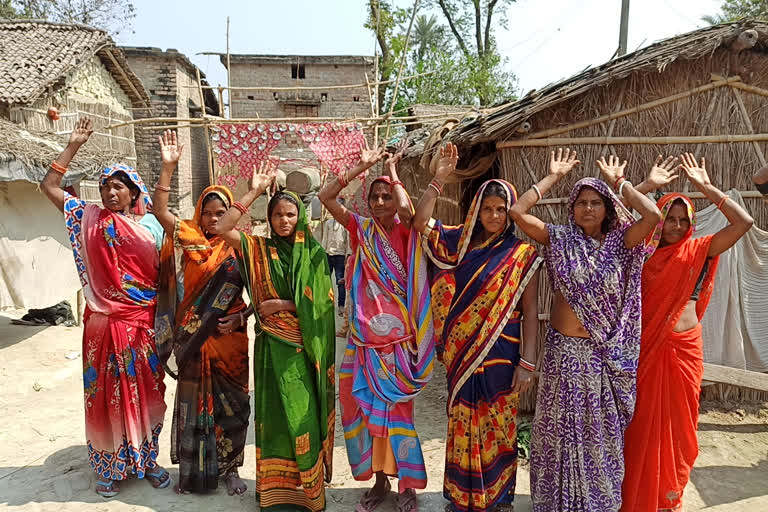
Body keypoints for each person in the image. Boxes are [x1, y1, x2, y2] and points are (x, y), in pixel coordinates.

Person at [509, 150, 661, 512]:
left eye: (596, 203)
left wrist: (618, 183)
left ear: (607, 208)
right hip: (562, 355)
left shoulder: (621, 244)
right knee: (559, 433)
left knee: (599, 436)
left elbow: (653, 215)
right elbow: (517, 213)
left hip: (599, 359)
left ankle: (596, 502)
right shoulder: (560, 239)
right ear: (572, 208)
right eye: (581, 203)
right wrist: (552, 177)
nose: (588, 209)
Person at [40, 117, 170, 497]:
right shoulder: (88, 219)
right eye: (106, 187)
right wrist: (72, 146)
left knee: (145, 392)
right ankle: (108, 466)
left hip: (141, 325)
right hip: (102, 326)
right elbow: (48, 186)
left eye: (119, 187)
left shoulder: (151, 229)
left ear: (133, 193)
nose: (111, 193)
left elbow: (168, 277)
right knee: (104, 395)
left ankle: (147, 459)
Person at [412, 143, 542, 512]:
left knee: (499, 423)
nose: (495, 215)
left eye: (502, 210)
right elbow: (420, 223)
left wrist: (528, 362)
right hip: (461, 355)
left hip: (504, 355)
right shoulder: (456, 243)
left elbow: (530, 312)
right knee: (463, 420)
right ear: (476, 209)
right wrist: (438, 180)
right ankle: (461, 495)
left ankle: (499, 496)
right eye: (488, 208)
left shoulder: (522, 255)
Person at [621, 153, 753, 512]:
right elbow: (614, 222)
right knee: (642, 426)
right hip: (647, 349)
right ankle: (638, 496)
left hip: (684, 352)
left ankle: (669, 496)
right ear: (658, 220)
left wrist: (707, 187)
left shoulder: (700, 250)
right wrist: (645, 186)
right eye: (669, 219)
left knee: (680, 429)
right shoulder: (642, 253)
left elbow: (744, 223)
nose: (676, 227)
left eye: (683, 221)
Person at [210, 162, 336, 511]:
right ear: (269, 216)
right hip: (269, 348)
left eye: (291, 214)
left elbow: (322, 308)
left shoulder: (313, 254)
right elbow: (221, 227)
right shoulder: (257, 249)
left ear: (301, 216)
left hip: (300, 350)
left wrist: (282, 303)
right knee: (274, 419)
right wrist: (252, 190)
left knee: (301, 417)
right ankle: (275, 492)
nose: (283, 220)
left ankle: (309, 494)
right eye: (277, 214)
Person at [318, 140, 435, 512]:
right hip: (363, 343)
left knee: (399, 416)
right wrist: (360, 167)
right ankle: (380, 481)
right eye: (376, 197)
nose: (382, 202)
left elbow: (405, 207)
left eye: (386, 196)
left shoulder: (408, 230)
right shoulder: (361, 230)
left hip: (399, 344)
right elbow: (326, 196)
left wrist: (394, 171)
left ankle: (408, 486)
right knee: (365, 412)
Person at [151, 130, 252, 496]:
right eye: (207, 212)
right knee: (194, 404)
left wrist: (242, 318)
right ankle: (191, 472)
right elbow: (160, 211)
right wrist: (168, 168)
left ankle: (230, 471)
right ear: (199, 213)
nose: (212, 219)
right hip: (194, 338)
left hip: (230, 340)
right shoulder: (189, 237)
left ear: (231, 214)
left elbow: (265, 290)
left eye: (220, 213)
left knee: (234, 405)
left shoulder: (242, 246)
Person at [320, 196, 350, 336]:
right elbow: (325, 238)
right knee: (325, 279)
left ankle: (341, 305)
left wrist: (347, 256)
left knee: (340, 281)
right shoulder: (328, 223)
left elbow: (348, 242)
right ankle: (325, 303)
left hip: (340, 255)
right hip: (328, 254)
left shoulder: (345, 225)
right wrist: (322, 251)